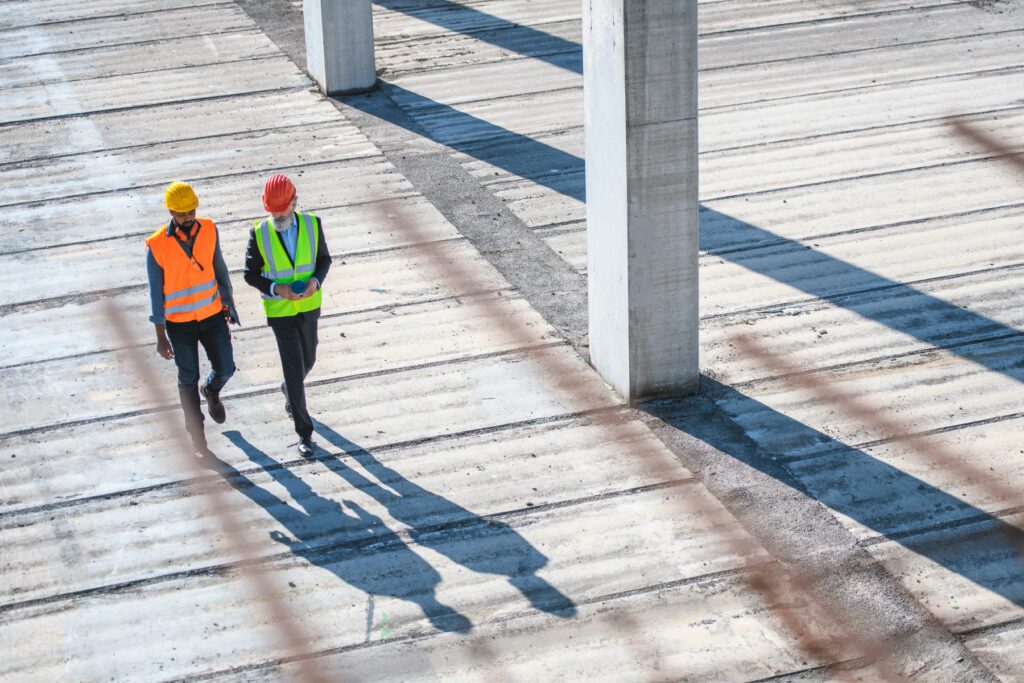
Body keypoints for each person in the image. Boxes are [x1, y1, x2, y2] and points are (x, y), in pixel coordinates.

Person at [146, 180, 239, 462]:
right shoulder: (157, 245)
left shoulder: (210, 229)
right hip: (179, 324)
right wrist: (160, 335)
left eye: (191, 212)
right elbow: (155, 291)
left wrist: (229, 306)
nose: (188, 218)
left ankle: (211, 390)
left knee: (226, 368)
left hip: (212, 316)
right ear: (171, 212)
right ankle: (197, 439)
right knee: (187, 379)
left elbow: (219, 268)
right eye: (182, 213)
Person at [243, 174, 332, 457]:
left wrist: (315, 282)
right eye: (272, 211)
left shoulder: (312, 224)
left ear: (295, 202)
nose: (277, 216)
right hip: (280, 312)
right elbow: (249, 274)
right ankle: (304, 433)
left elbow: (323, 260)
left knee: (310, 359)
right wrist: (275, 288)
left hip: (308, 306)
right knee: (294, 370)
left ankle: (288, 389)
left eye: (282, 210)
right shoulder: (259, 233)